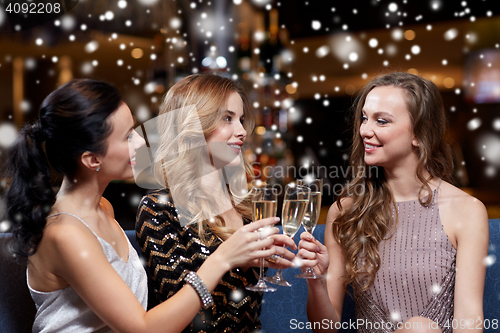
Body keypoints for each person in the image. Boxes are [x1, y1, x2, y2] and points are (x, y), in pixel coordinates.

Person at [4, 78, 286, 333]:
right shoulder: (66, 234)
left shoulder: (103, 208)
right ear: (93, 160)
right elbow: (143, 329)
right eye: (128, 136)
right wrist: (223, 258)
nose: (141, 141)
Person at [298, 72, 489, 333]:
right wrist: (316, 281)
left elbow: (469, 321)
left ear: (420, 134)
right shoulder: (346, 211)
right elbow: (325, 328)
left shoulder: (467, 211)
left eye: (382, 121)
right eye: (364, 118)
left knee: (421, 329)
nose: (365, 130)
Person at [135, 73, 297, 332]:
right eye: (227, 118)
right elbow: (178, 320)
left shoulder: (244, 205)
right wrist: (227, 258)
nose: (242, 131)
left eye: (241, 119)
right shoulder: (159, 208)